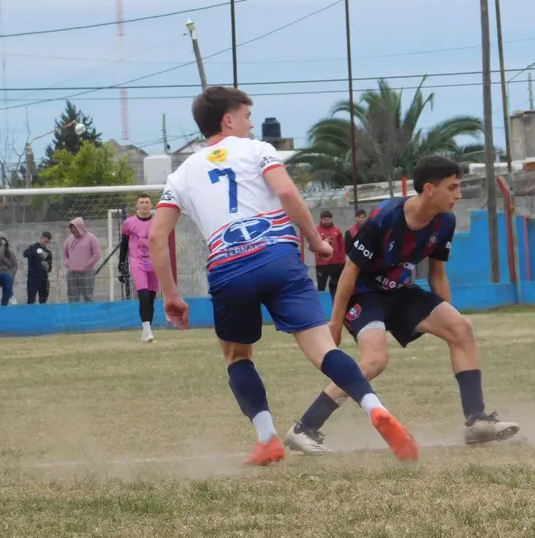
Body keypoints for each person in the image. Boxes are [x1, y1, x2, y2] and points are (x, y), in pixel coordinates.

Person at [148, 85, 417, 466]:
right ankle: (374, 408)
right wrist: (316, 241)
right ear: (228, 120)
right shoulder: (258, 151)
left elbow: (157, 236)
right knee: (324, 349)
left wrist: (171, 296)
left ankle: (267, 439)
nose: (251, 124)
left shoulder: (179, 176)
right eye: (246, 116)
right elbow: (287, 193)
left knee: (237, 356)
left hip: (228, 266)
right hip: (278, 255)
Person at [285, 155, 520, 455]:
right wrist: (334, 325)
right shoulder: (384, 219)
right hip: (363, 293)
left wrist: (446, 314)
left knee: (461, 328)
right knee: (375, 361)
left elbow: (437, 274)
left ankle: (476, 422)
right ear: (429, 189)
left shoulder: (445, 221)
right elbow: (349, 272)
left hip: (399, 290)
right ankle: (304, 428)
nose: (459, 195)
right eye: (453, 187)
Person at [119, 193, 159, 343]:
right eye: (141, 202)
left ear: (151, 205)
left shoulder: (157, 223)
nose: (144, 204)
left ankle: (147, 331)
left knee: (151, 299)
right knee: (143, 296)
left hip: (154, 263)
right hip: (138, 263)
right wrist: (121, 264)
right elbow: (124, 244)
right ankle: (147, 331)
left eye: (147, 202)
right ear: (137, 205)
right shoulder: (129, 223)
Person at [63, 218, 102, 302]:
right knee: (72, 298)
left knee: (88, 297)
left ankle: (89, 314)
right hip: (72, 273)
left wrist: (87, 266)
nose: (73, 230)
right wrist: (68, 264)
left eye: (74, 227)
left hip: (86, 272)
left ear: (80, 227)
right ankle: (74, 314)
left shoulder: (91, 238)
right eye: (71, 228)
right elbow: (65, 254)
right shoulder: (69, 239)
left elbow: (97, 254)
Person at [314, 210, 346, 298]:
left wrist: (342, 261)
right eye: (325, 219)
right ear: (321, 220)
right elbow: (313, 245)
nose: (327, 221)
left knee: (336, 286)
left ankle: (335, 303)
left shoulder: (337, 230)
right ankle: (321, 304)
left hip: (335, 263)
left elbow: (342, 246)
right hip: (322, 264)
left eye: (328, 219)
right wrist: (323, 242)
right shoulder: (316, 230)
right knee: (321, 287)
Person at [23, 232, 53, 304]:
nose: (45, 243)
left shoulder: (48, 252)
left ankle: (42, 314)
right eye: (44, 241)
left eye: (47, 242)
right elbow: (25, 254)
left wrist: (47, 266)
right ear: (41, 238)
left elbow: (49, 269)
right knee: (31, 300)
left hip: (43, 279)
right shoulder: (33, 247)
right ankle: (31, 315)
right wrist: (37, 252)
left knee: (43, 301)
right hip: (32, 278)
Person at [0, 236, 19, 306]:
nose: (1, 242)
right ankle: (11, 295)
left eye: (2, 240)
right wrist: (2, 247)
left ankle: (4, 306)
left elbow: (15, 265)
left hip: (8, 276)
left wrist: (12, 274)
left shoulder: (10, 252)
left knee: (6, 293)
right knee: (6, 275)